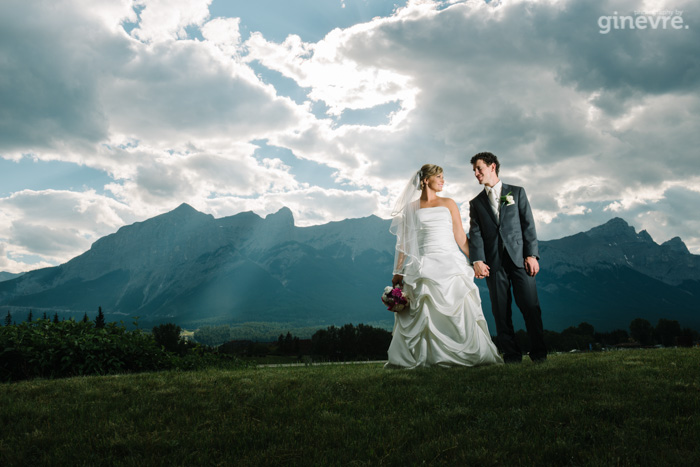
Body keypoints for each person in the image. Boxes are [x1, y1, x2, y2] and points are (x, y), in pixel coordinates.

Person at [385, 164, 503, 369]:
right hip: (423, 264)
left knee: (459, 306)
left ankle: (465, 352)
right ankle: (426, 356)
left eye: (443, 177)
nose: (442, 180)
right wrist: (398, 271)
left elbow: (460, 236)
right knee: (424, 310)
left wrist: (477, 260)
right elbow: (404, 243)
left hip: (450, 262)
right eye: (438, 176)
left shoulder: (449, 203)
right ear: (425, 180)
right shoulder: (411, 208)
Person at [467, 152, 547, 363]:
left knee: (530, 307)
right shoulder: (476, 203)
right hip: (493, 263)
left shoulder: (517, 193)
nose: (476, 173)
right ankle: (512, 356)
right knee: (501, 312)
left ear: (492, 167)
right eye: (474, 170)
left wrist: (531, 254)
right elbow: (475, 233)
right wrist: (477, 260)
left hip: (520, 259)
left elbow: (528, 224)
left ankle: (539, 354)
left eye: (479, 168)